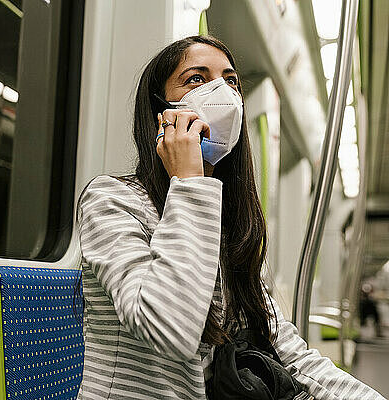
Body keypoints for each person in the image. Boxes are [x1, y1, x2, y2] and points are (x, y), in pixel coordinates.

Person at [76, 36, 384, 399]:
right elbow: (169, 330)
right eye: (196, 79)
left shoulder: (225, 223)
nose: (222, 92)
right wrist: (190, 181)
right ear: (160, 111)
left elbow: (287, 348)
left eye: (231, 80)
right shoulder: (111, 199)